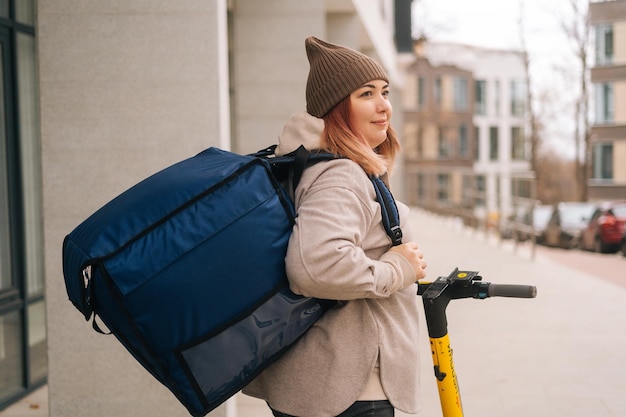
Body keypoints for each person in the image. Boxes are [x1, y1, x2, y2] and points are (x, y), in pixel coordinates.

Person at [243, 36, 427, 417]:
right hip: (352, 390)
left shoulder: (319, 166)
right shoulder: (340, 175)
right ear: (337, 108)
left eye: (384, 92)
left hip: (330, 382)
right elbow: (315, 265)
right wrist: (396, 270)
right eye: (366, 94)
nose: (384, 106)